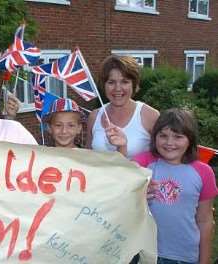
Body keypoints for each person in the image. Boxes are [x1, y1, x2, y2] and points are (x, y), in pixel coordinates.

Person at [133, 109, 218, 264]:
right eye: (163, 136)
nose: (169, 143)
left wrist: (204, 260)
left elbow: (205, 220)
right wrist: (137, 194)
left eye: (178, 137)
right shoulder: (141, 163)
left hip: (184, 255)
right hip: (143, 252)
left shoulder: (204, 172)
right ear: (154, 137)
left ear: (190, 140)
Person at [87, 55, 159, 159]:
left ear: (134, 85)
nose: (118, 88)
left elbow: (162, 157)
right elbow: (88, 158)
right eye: (111, 82)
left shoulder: (150, 115)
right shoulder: (94, 116)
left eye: (124, 82)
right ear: (104, 85)